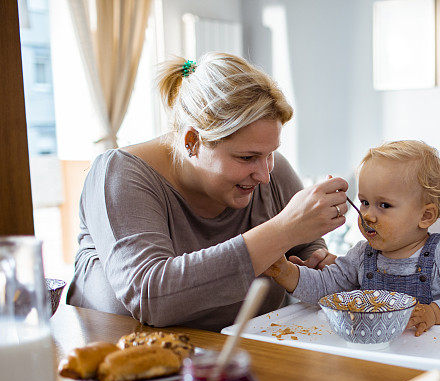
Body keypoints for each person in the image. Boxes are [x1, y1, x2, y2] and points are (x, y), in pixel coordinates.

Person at [67, 53, 351, 331]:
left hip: (246, 360)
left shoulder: (272, 174)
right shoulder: (120, 176)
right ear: (192, 141)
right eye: (246, 158)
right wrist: (282, 230)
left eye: (271, 154)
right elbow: (150, 296)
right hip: (119, 366)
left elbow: (306, 249)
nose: (264, 175)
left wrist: (317, 261)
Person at [266, 140, 440, 335]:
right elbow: (326, 287)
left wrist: (435, 313)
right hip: (375, 355)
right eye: (364, 202)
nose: (367, 215)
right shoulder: (361, 256)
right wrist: (286, 273)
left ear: (425, 215)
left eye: (384, 205)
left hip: (433, 357)